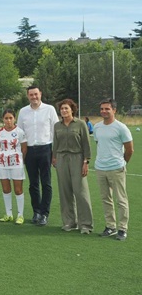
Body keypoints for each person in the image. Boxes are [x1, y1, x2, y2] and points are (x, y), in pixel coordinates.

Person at [17, 86, 58, 226]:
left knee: (46, 183)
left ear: (40, 94)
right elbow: (20, 133)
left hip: (45, 148)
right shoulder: (23, 111)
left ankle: (45, 213)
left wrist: (54, 153)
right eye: (31, 95)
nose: (34, 97)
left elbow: (55, 130)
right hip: (29, 150)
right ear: (28, 96)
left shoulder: (49, 109)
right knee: (33, 183)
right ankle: (36, 211)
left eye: (36, 94)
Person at [94, 98, 134, 241]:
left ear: (114, 110)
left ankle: (122, 229)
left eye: (107, 109)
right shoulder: (97, 127)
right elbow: (99, 144)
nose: (104, 111)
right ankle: (110, 226)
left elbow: (130, 149)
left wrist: (122, 163)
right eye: (102, 109)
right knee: (106, 199)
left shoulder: (121, 127)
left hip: (116, 168)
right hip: (100, 168)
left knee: (121, 200)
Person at [52, 99, 93, 234]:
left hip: (77, 158)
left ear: (72, 110)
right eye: (62, 109)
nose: (64, 111)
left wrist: (86, 161)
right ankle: (69, 222)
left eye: (66, 108)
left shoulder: (80, 124)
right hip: (61, 158)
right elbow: (56, 143)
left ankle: (86, 224)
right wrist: (54, 158)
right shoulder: (57, 125)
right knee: (65, 192)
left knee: (80, 192)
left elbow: (86, 144)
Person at [0, 109, 28, 225]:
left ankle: (20, 215)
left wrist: (19, 159)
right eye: (6, 118)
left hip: (16, 164)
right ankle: (8, 214)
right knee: (5, 189)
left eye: (10, 118)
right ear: (3, 119)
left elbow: (24, 148)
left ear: (14, 118)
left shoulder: (20, 132)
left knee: (18, 190)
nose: (8, 121)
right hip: (3, 164)